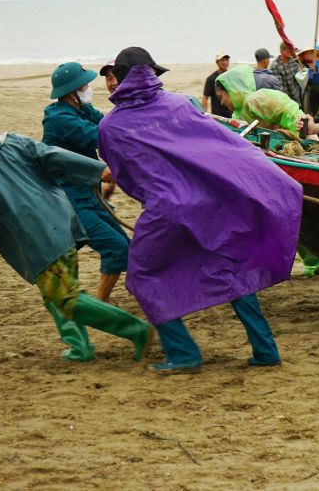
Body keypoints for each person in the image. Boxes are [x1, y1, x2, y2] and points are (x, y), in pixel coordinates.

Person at [99, 47, 302, 375]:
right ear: (152, 74)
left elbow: (129, 178)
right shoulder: (181, 105)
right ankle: (265, 349)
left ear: (120, 79)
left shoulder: (111, 127)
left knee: (143, 277)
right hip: (208, 203)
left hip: (166, 210)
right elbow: (226, 147)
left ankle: (183, 353)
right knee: (229, 264)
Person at [0, 123, 151, 363]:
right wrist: (97, 170)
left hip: (34, 239)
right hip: (63, 221)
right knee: (53, 291)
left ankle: (136, 330)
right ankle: (79, 348)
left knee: (66, 299)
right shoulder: (11, 141)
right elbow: (52, 155)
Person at [42, 62, 129, 302]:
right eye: (85, 85)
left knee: (125, 247)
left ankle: (127, 292)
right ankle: (102, 304)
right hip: (69, 201)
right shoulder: (60, 119)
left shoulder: (82, 109)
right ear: (72, 91)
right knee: (116, 248)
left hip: (89, 194)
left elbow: (108, 124)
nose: (89, 88)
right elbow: (101, 136)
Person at [201, 52, 232, 118]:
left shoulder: (231, 76)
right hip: (218, 115)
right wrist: (203, 114)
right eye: (222, 60)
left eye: (227, 60)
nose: (225, 62)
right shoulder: (211, 78)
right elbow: (205, 97)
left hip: (231, 114)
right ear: (217, 62)